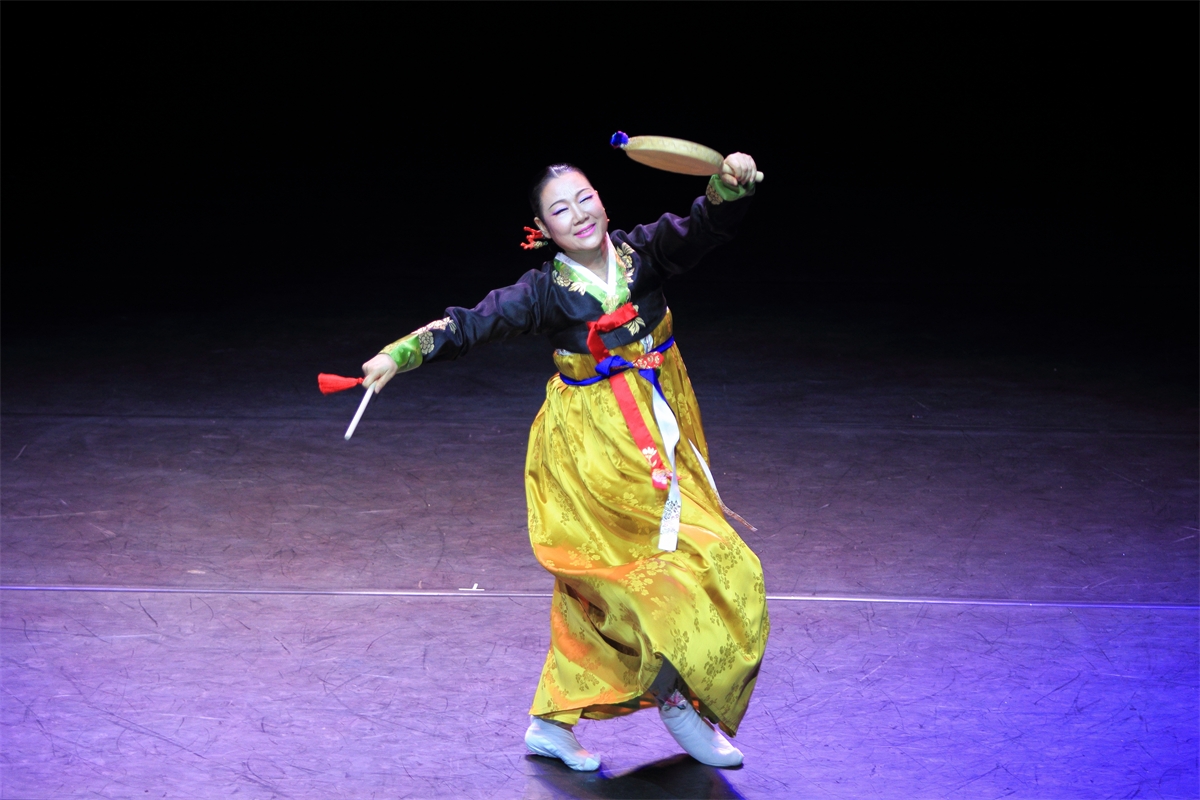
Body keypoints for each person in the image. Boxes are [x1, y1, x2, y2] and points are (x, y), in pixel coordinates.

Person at [360, 153, 769, 771]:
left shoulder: (642, 253)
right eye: (560, 210)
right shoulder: (545, 291)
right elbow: (470, 324)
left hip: (658, 425)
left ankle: (551, 722)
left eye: (584, 199)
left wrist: (728, 187)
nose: (578, 215)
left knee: (678, 568)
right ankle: (676, 700)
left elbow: (704, 226)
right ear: (542, 229)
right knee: (636, 575)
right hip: (593, 449)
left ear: (602, 200)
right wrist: (401, 353)